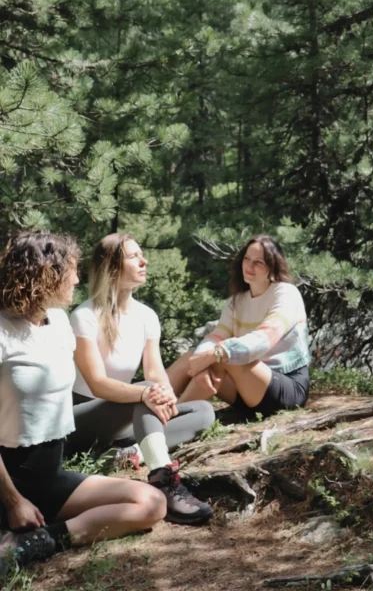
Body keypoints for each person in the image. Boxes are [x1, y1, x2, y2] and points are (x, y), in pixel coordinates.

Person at [0, 231, 166, 575]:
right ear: (46, 273)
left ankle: (40, 541)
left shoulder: (60, 322)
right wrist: (14, 501)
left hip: (49, 477)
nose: (77, 279)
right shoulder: (2, 331)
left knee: (151, 502)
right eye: (71, 271)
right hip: (8, 483)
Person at [67, 233, 214, 526]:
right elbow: (97, 384)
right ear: (112, 268)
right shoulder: (84, 317)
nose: (144, 261)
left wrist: (165, 393)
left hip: (121, 420)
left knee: (203, 411)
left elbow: (155, 371)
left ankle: (128, 453)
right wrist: (147, 393)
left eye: (141, 254)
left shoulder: (146, 316)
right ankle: (163, 479)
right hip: (80, 419)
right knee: (145, 391)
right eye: (134, 257)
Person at [167, 234, 311, 419]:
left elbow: (265, 338)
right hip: (245, 391)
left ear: (272, 266)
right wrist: (201, 363)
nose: (249, 267)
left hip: (286, 389)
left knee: (223, 356)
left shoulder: (286, 294)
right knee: (191, 357)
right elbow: (216, 336)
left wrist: (214, 355)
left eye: (258, 262)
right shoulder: (236, 302)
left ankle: (170, 422)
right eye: (247, 259)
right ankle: (146, 406)